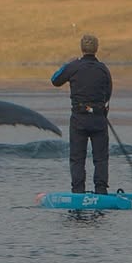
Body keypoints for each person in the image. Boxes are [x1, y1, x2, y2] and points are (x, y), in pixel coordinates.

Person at [51, 34, 113, 194]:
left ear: (82, 48)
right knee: (101, 158)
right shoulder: (103, 69)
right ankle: (101, 191)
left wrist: (67, 64)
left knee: (77, 158)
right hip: (99, 119)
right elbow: (108, 93)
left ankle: (78, 191)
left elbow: (55, 80)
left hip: (79, 119)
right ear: (96, 49)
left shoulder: (74, 66)